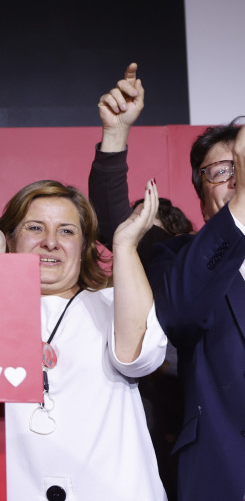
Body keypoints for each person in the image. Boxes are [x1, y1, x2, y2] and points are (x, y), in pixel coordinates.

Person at [91, 63, 245, 498]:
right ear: (199, 189)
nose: (237, 180)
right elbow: (113, 219)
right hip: (225, 472)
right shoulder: (176, 257)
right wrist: (116, 134)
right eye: (223, 170)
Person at [0, 178, 167, 499]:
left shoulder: (112, 304)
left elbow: (140, 359)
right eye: (35, 228)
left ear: (84, 245)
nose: (51, 242)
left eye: (67, 231)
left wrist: (125, 246)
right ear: (11, 238)